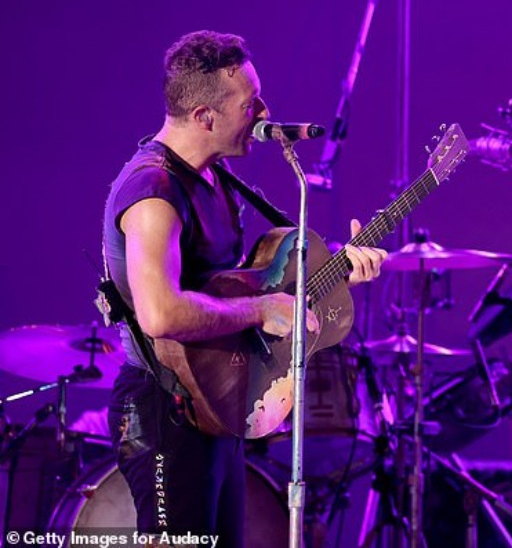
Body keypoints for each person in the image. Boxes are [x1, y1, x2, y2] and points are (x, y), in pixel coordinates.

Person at [102, 30, 387, 545]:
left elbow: (239, 287)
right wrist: (261, 311)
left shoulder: (215, 178)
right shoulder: (153, 190)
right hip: (165, 412)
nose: (264, 112)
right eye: (249, 102)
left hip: (214, 404)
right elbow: (161, 314)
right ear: (204, 116)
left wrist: (338, 269)